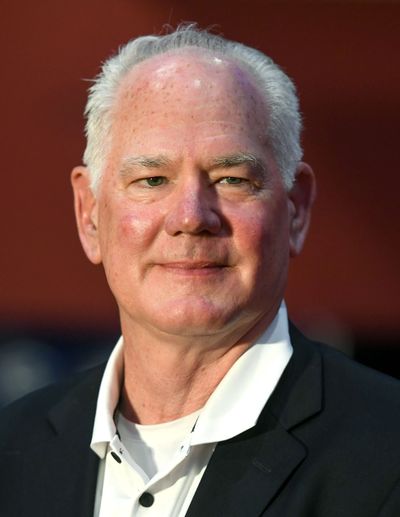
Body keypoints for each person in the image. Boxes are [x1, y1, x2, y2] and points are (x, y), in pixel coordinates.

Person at [1, 25, 399, 517]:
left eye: (231, 179)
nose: (191, 216)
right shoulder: (11, 451)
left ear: (295, 208)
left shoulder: (387, 453)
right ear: (89, 213)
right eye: (152, 179)